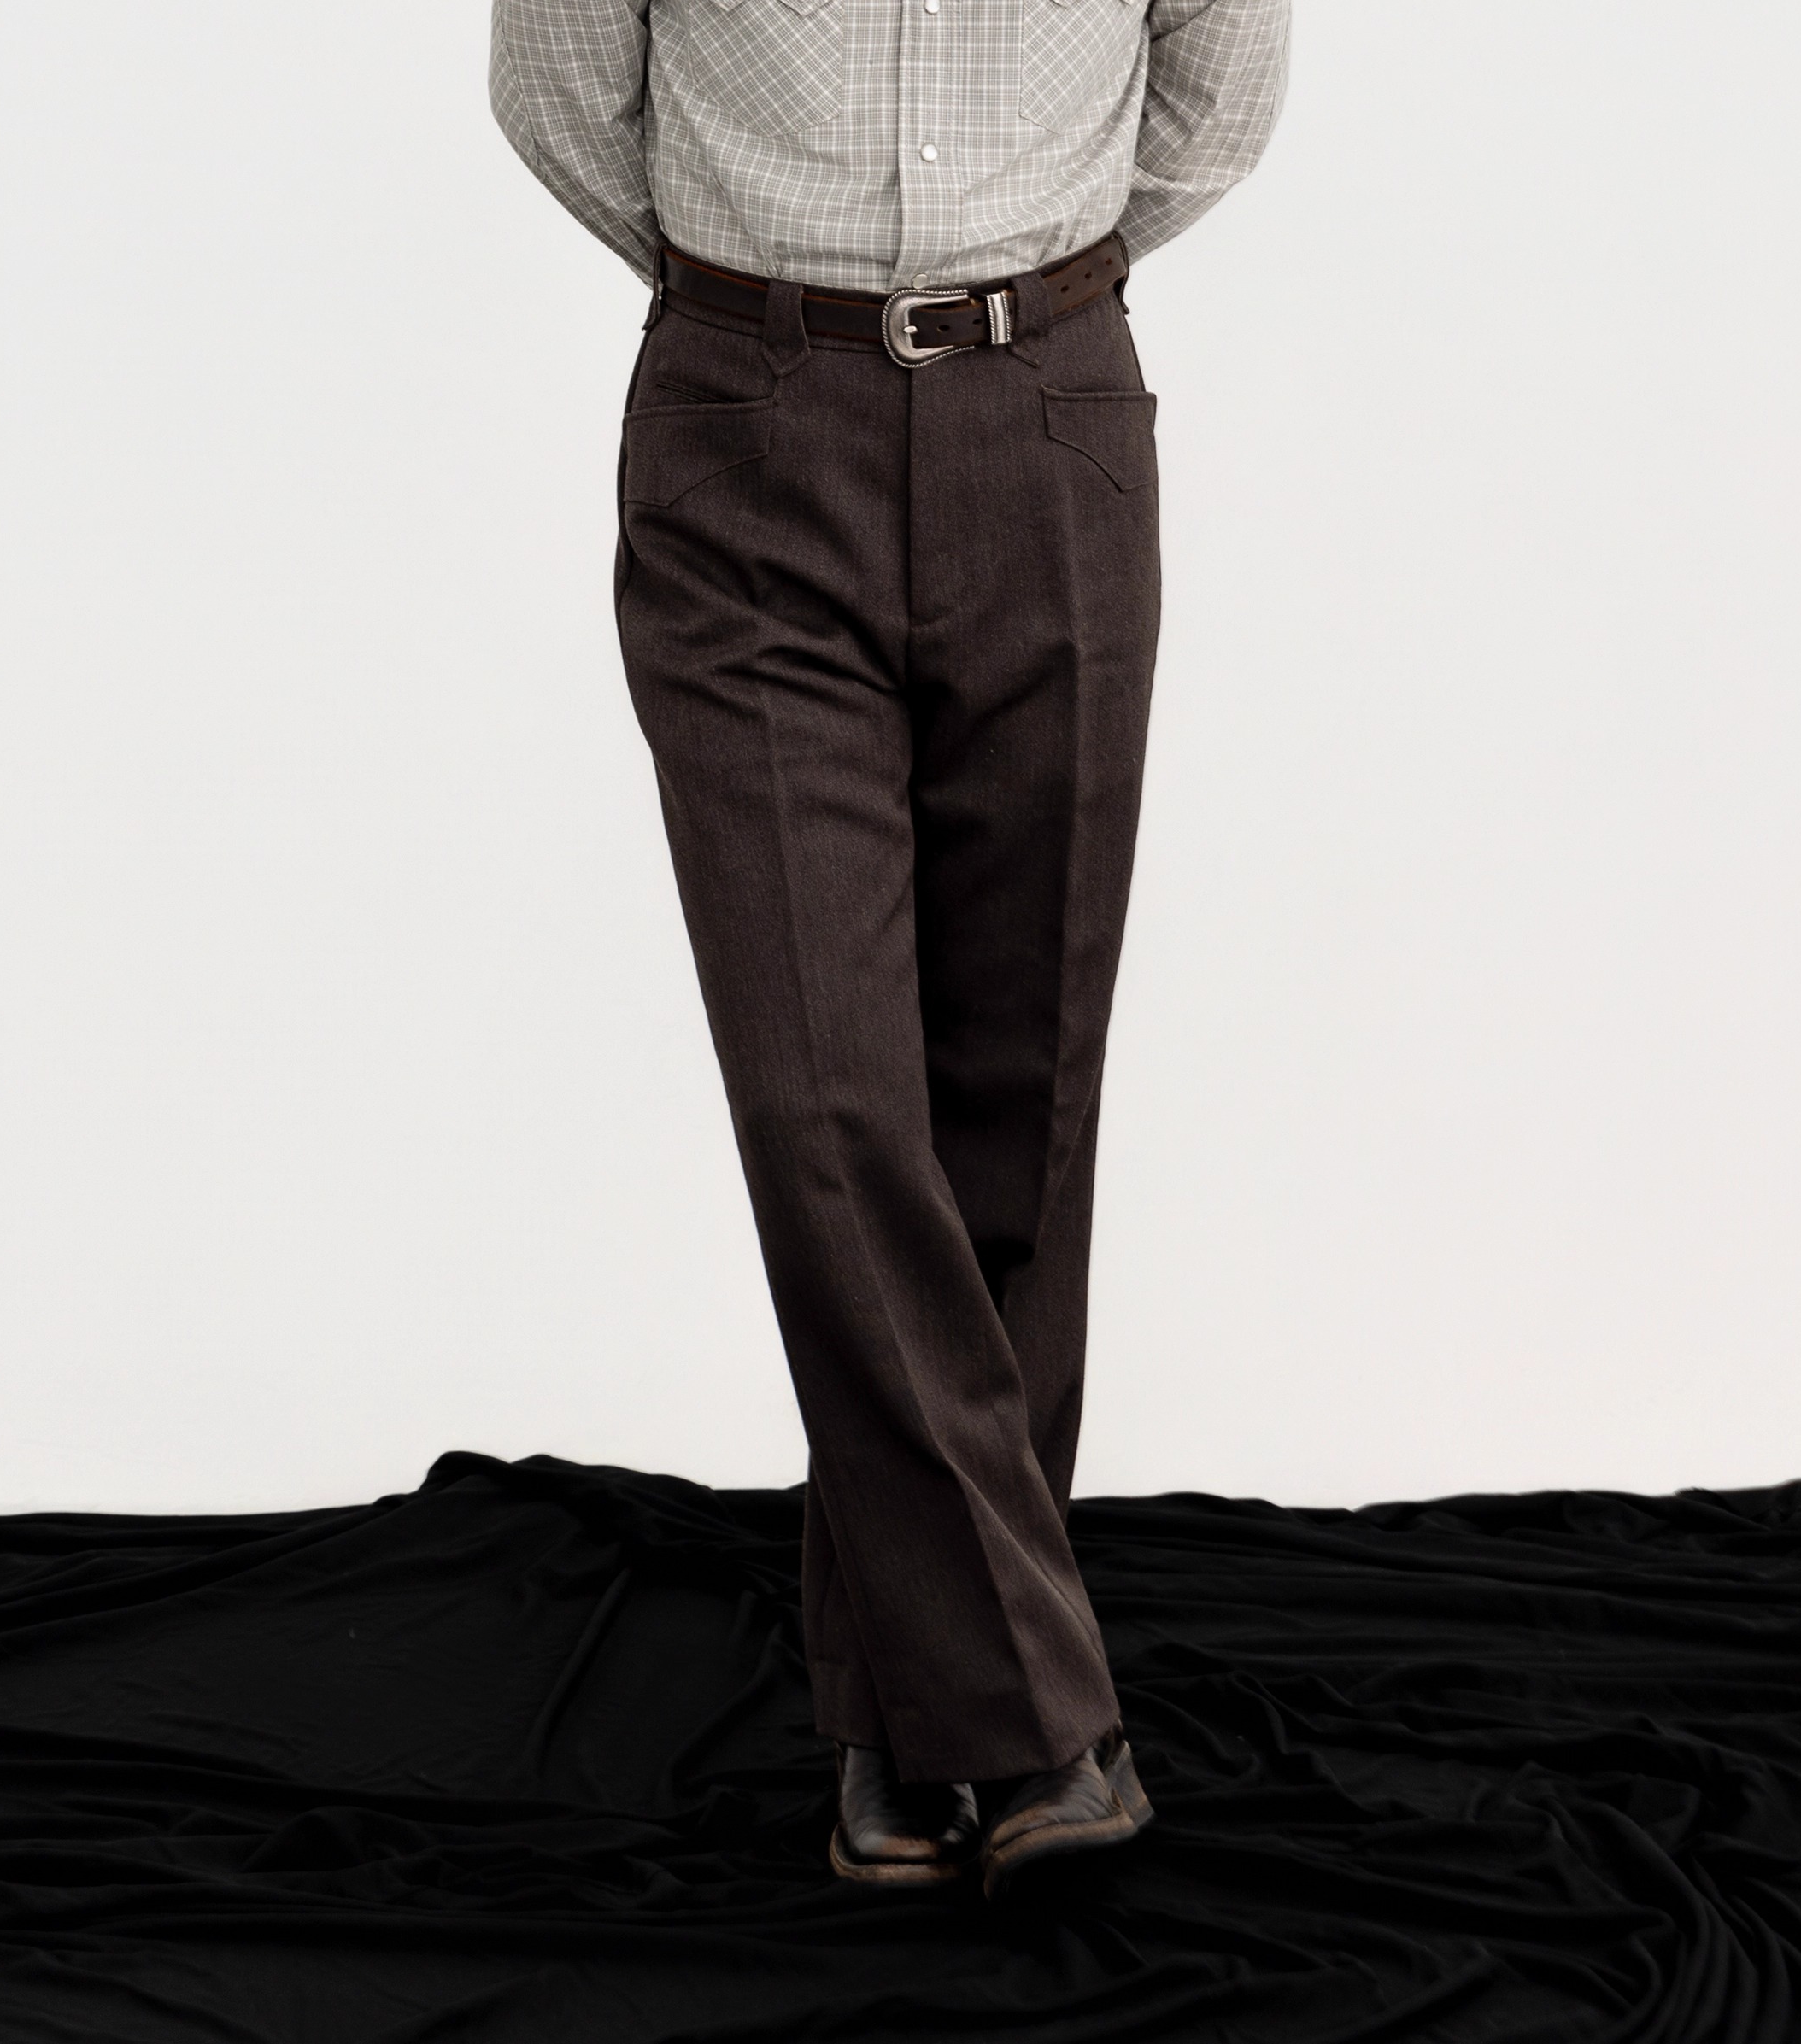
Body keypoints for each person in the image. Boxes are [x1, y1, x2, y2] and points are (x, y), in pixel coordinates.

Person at [489, 1, 1289, 1895]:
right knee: (827, 1104)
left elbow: (1219, 86)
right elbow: (556, 91)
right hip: (748, 436)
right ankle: (1033, 1721)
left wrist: (1017, 301)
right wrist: (773, 316)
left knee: (1022, 1100)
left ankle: (901, 1717)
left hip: (1051, 417)